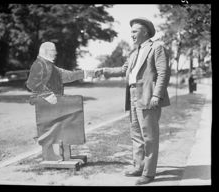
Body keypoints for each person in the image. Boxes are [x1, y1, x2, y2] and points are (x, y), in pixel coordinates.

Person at [96, 18, 171, 185]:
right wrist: (103, 70)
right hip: (132, 94)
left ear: (145, 32)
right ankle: (139, 166)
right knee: (136, 134)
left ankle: (149, 173)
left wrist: (157, 96)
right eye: (131, 32)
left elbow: (163, 73)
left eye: (134, 32)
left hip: (148, 94)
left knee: (149, 136)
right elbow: (124, 70)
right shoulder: (134, 51)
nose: (131, 35)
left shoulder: (157, 47)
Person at [26, 42, 99, 161]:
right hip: (46, 105)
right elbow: (32, 83)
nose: (55, 53)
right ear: (44, 51)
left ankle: (62, 156)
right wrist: (48, 95)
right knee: (51, 131)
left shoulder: (51, 66)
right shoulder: (39, 64)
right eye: (52, 51)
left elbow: (68, 76)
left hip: (55, 104)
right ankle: (54, 157)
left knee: (59, 129)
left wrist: (88, 73)